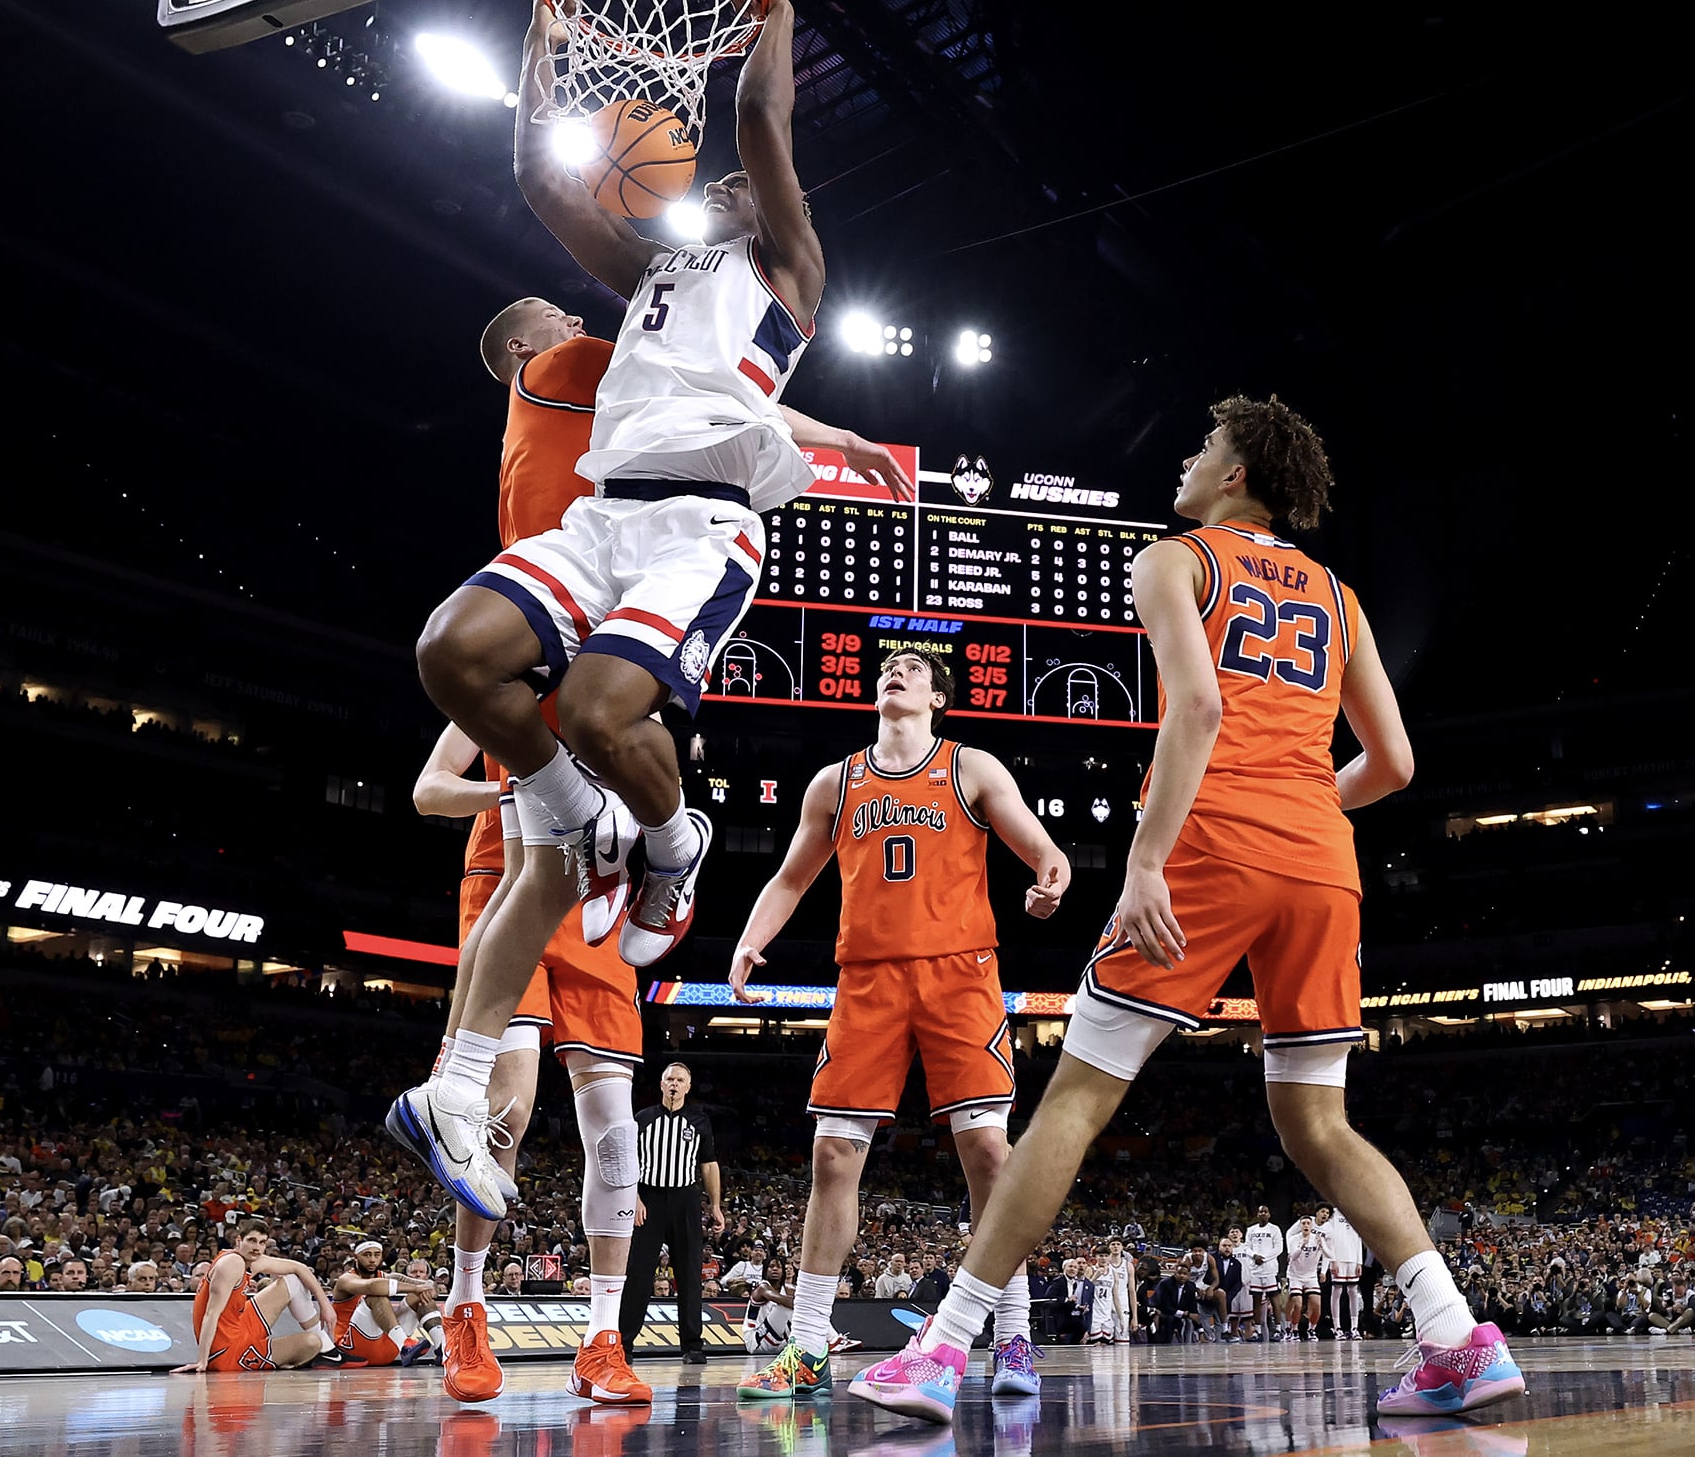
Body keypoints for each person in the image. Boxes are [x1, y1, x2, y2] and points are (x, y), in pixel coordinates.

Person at [850, 398, 1523, 1423]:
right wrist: (1297, 813)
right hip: (1321, 862)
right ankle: (1456, 1337)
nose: (1186, 456)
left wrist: (1147, 859)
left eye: (1203, 446)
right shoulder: (1340, 597)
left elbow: (1200, 709)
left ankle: (940, 1351)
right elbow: (1395, 763)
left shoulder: (1177, 558)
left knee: (1076, 1095)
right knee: (1316, 1119)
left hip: (1211, 845)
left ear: (1237, 474)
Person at [398, 0, 911, 1223]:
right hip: (601, 512)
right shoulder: (646, 278)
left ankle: (672, 841)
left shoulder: (790, 266)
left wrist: (776, 27)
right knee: (452, 655)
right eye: (723, 186)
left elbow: (762, 130)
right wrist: (541, 51)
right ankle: (603, 821)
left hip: (701, 527)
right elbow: (536, 178)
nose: (729, 187)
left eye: (742, 182)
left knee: (601, 709)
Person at [386, 286, 650, 1408]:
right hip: (511, 877)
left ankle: (600, 1338)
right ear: (530, 350)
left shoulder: (616, 643)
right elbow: (428, 788)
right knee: (507, 1101)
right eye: (555, 311)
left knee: (614, 1131)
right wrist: (512, 801)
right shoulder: (522, 643)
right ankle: (465, 1308)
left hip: (595, 889)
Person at [728, 647, 1070, 1401]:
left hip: (961, 972)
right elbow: (790, 877)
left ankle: (1013, 1337)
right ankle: (808, 1347)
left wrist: (1050, 878)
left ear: (938, 698)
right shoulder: (835, 781)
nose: (898, 671)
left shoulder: (971, 766)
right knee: (832, 1157)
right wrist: (753, 940)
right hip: (869, 980)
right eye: (890, 665)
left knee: (987, 1151)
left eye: (915, 668)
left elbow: (1040, 847)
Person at [620, 1063, 721, 1362]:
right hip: (649, 1198)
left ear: (688, 1087)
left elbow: (709, 1164)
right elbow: (628, 1161)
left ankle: (692, 1345)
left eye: (680, 1080)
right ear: (661, 1085)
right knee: (638, 1273)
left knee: (689, 1273)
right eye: (669, 1080)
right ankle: (624, 1343)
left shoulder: (699, 1121)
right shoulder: (643, 1119)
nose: (674, 1084)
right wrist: (634, 1197)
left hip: (685, 1198)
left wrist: (715, 1204)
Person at [175, 1224, 329, 1373]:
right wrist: (202, 1361)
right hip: (227, 1352)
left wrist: (326, 1306)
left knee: (293, 1280)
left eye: (262, 1242)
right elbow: (211, 1314)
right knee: (312, 1342)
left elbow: (299, 1268)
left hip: (237, 1326)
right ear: (238, 1241)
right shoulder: (232, 1264)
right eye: (252, 1240)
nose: (256, 1247)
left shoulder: (246, 1259)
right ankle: (323, 1350)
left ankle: (330, 1351)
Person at [329, 1240, 441, 1367]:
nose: (372, 1259)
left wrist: (427, 1287)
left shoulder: (386, 1276)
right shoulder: (346, 1280)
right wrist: (415, 1287)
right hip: (353, 1350)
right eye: (367, 1255)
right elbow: (372, 1287)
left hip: (386, 1348)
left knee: (418, 1296)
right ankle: (405, 1345)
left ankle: (442, 1348)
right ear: (356, 1257)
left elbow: (431, 1286)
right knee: (377, 1296)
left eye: (376, 1255)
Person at [1242, 1205, 1286, 1342]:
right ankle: (1258, 1331)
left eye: (1265, 1211)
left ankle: (1278, 1329)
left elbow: (1279, 1248)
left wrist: (1264, 1258)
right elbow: (1246, 1247)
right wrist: (1254, 1256)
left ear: (1269, 1214)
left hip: (1270, 1269)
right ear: (1257, 1214)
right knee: (1256, 1301)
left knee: (1274, 1299)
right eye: (1260, 1211)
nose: (1262, 1213)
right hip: (1255, 1270)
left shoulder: (1275, 1229)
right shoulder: (1251, 1230)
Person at [1321, 1206, 1365, 1339]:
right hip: (1338, 1258)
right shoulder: (1333, 1214)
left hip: (1352, 1258)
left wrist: (1359, 1262)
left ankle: (1354, 1327)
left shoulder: (1354, 1212)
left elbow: (1358, 1238)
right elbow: (1329, 1239)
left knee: (1353, 1291)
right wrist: (1332, 1260)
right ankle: (1337, 1327)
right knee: (1337, 1291)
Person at [1286, 1208, 1327, 1340]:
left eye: (1308, 1223)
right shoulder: (1293, 1239)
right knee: (1297, 1303)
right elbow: (1293, 1256)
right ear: (1300, 1225)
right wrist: (1302, 1246)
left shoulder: (1318, 1239)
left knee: (1317, 1304)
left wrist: (1323, 1271)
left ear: (1311, 1225)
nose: (1306, 1226)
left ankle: (1312, 1329)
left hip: (1310, 1275)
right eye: (1303, 1223)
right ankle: (1294, 1329)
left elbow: (1329, 1255)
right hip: (1295, 1275)